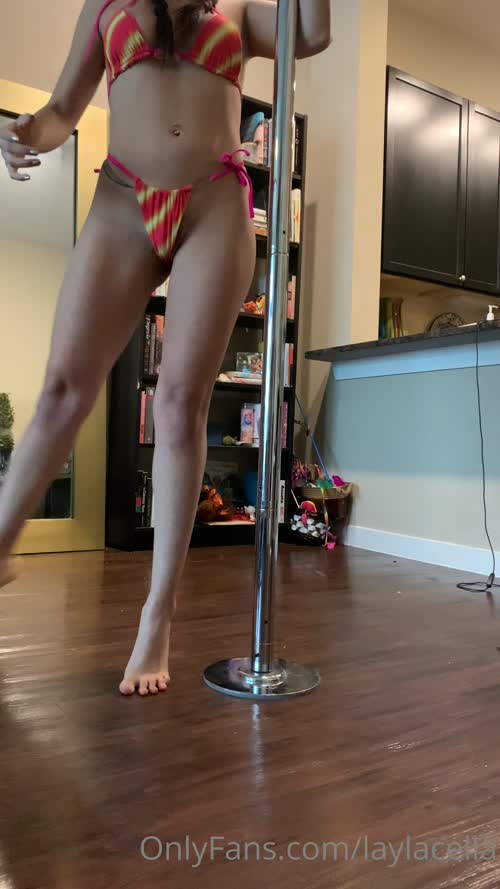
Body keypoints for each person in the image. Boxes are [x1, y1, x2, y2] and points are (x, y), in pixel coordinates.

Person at [0, 0, 331, 696]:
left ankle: (158, 614)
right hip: (122, 199)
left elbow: (311, 34)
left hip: (213, 204)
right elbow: (62, 110)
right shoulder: (106, 6)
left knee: (180, 405)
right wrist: (25, 132)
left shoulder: (238, 9)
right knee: (63, 388)